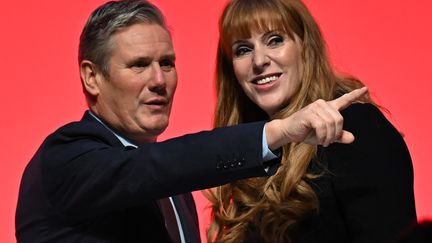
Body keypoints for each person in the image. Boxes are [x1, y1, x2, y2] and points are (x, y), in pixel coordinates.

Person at [15, 0, 368, 242]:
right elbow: (152, 168)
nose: (159, 80)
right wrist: (275, 132)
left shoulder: (175, 192)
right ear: (92, 77)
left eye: (167, 63)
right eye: (139, 64)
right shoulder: (66, 159)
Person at [206, 0, 417, 242]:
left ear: (305, 45)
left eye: (274, 40)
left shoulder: (353, 127)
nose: (259, 61)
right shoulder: (251, 149)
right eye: (243, 49)